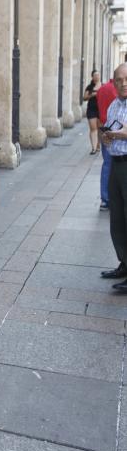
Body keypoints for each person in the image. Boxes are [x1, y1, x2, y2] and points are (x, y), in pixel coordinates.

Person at [100, 63, 127, 291]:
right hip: (116, 166)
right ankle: (124, 263)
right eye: (119, 80)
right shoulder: (114, 105)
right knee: (117, 218)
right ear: (114, 82)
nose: (124, 83)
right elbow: (106, 132)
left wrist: (116, 133)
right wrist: (106, 137)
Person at [97, 76, 117, 211]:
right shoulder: (117, 91)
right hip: (118, 131)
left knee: (107, 165)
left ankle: (105, 199)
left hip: (104, 128)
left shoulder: (102, 89)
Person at [84, 70, 101, 154]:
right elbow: (84, 97)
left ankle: (98, 145)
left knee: (99, 129)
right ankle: (94, 148)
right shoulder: (89, 87)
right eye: (95, 75)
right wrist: (92, 95)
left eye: (98, 75)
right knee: (93, 128)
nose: (97, 76)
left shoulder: (103, 86)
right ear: (92, 77)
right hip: (91, 109)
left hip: (100, 109)